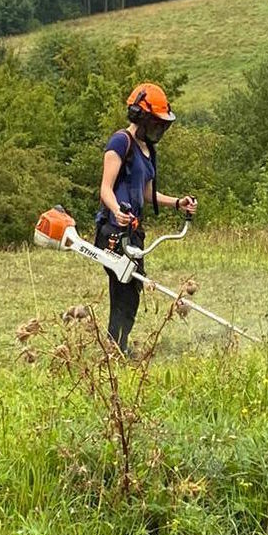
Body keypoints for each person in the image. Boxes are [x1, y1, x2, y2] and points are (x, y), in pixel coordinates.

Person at [95, 83, 197, 357]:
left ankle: (118, 346)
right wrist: (117, 210)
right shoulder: (121, 142)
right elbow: (105, 188)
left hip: (135, 234)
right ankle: (116, 350)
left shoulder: (148, 150)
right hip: (114, 231)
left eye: (162, 124)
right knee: (124, 291)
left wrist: (177, 202)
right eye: (155, 122)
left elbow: (147, 193)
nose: (158, 129)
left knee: (132, 291)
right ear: (138, 116)